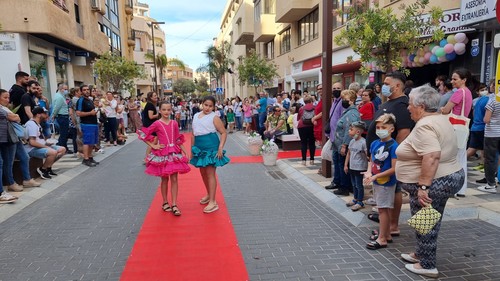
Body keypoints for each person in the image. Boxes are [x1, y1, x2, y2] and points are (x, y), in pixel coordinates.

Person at [397, 85, 464, 278]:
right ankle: (421, 254)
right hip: (445, 176)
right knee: (425, 222)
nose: (408, 107)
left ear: (421, 106)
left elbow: (432, 155)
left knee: (426, 224)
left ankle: (427, 265)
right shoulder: (439, 118)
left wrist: (423, 187)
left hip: (436, 182)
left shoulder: (426, 125)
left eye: (410, 103)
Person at [366, 71, 414, 233]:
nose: (383, 87)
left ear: (397, 86)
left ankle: (393, 225)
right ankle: (386, 225)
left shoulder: (401, 105)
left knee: (394, 189)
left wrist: (393, 154)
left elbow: (403, 133)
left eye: (387, 84)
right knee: (384, 191)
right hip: (379, 156)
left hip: (389, 158)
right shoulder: (387, 103)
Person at [138, 101, 190, 216]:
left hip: (174, 153)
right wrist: (153, 146)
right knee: (164, 179)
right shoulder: (157, 123)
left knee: (175, 179)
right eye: (164, 110)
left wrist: (185, 151)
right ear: (160, 111)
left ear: (171, 110)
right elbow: (143, 134)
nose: (166, 112)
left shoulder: (174, 123)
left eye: (168, 109)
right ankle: (165, 202)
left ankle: (175, 204)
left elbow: (177, 139)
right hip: (162, 154)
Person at [363, 114, 398, 249]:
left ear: (391, 129)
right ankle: (386, 233)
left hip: (386, 182)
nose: (380, 130)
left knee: (383, 209)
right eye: (378, 127)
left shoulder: (394, 146)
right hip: (377, 181)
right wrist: (368, 172)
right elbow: (371, 161)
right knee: (383, 208)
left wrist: (375, 176)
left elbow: (394, 168)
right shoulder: (375, 143)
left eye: (383, 127)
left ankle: (382, 238)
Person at [190, 96, 230, 214]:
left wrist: (220, 148)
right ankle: (209, 194)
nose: (207, 108)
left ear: (214, 107)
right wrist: (192, 150)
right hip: (199, 147)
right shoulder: (196, 116)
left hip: (211, 146)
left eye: (210, 106)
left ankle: (213, 201)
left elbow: (223, 133)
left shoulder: (214, 117)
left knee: (210, 173)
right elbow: (193, 134)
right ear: (202, 104)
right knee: (202, 172)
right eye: (206, 105)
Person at [440, 68, 473, 197]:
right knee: (461, 158)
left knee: (451, 159)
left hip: (453, 128)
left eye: (455, 79)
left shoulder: (459, 92)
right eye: (452, 78)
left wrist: (443, 109)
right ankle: (461, 189)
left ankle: (452, 188)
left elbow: (446, 110)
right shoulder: (468, 92)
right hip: (462, 128)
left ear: (464, 80)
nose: (452, 81)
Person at [25, 107, 66, 179]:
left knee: (62, 149)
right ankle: (43, 169)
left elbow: (39, 138)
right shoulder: (31, 125)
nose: (47, 115)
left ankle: (48, 167)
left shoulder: (37, 124)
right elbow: (32, 142)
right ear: (38, 115)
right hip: (32, 149)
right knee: (53, 152)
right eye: (44, 113)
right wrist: (46, 147)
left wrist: (47, 143)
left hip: (41, 145)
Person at [332, 89, 360, 196]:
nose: (343, 101)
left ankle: (345, 187)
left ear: (351, 101)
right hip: (339, 143)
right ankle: (343, 185)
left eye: (345, 99)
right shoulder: (348, 111)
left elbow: (349, 130)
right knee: (340, 164)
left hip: (344, 144)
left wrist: (344, 145)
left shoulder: (352, 113)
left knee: (344, 165)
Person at [477, 88, 500, 193]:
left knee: (490, 159)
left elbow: (486, 119)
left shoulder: (494, 100)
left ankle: (491, 184)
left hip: (492, 134)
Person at [325, 82, 345, 190]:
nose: (336, 90)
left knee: (340, 162)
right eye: (334, 88)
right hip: (333, 137)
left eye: (338, 88)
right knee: (336, 161)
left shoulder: (342, 102)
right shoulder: (334, 101)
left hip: (339, 138)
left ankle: (342, 184)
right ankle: (336, 181)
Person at [344, 121, 367, 211]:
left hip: (360, 167)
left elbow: (367, 154)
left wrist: (368, 168)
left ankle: (360, 201)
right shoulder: (352, 141)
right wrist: (346, 165)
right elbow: (348, 153)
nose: (349, 131)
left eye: (351, 129)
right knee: (354, 184)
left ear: (358, 132)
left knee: (359, 185)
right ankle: (355, 198)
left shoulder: (363, 142)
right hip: (352, 167)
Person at [76, 85, 99, 167]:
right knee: (87, 142)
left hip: (93, 124)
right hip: (86, 124)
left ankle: (90, 157)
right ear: (81, 91)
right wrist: (90, 113)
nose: (86, 91)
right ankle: (85, 159)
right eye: (84, 90)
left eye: (87, 90)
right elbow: (78, 113)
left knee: (92, 142)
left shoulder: (89, 100)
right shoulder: (81, 100)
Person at [0, 105, 19, 203]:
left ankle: (2, 191)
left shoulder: (2, 108)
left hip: (4, 140)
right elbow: (12, 117)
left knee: (3, 162)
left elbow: (16, 117)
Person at [297, 96, 316, 166]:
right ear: (311, 101)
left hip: (302, 126)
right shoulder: (315, 107)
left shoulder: (301, 108)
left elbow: (298, 118)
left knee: (303, 143)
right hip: (312, 126)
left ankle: (304, 160)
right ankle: (312, 159)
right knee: (312, 143)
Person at [51, 83, 70, 152]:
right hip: (62, 116)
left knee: (64, 133)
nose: (66, 91)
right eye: (65, 89)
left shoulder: (61, 96)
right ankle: (62, 147)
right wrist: (53, 115)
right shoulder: (59, 97)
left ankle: (62, 146)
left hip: (62, 116)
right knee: (63, 133)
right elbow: (57, 107)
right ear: (60, 89)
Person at [142, 92, 159, 162]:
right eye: (154, 96)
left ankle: (149, 156)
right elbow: (151, 116)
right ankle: (147, 158)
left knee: (155, 140)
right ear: (151, 97)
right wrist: (158, 114)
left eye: (156, 95)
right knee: (153, 142)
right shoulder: (150, 105)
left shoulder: (150, 105)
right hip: (150, 125)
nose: (156, 97)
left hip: (151, 125)